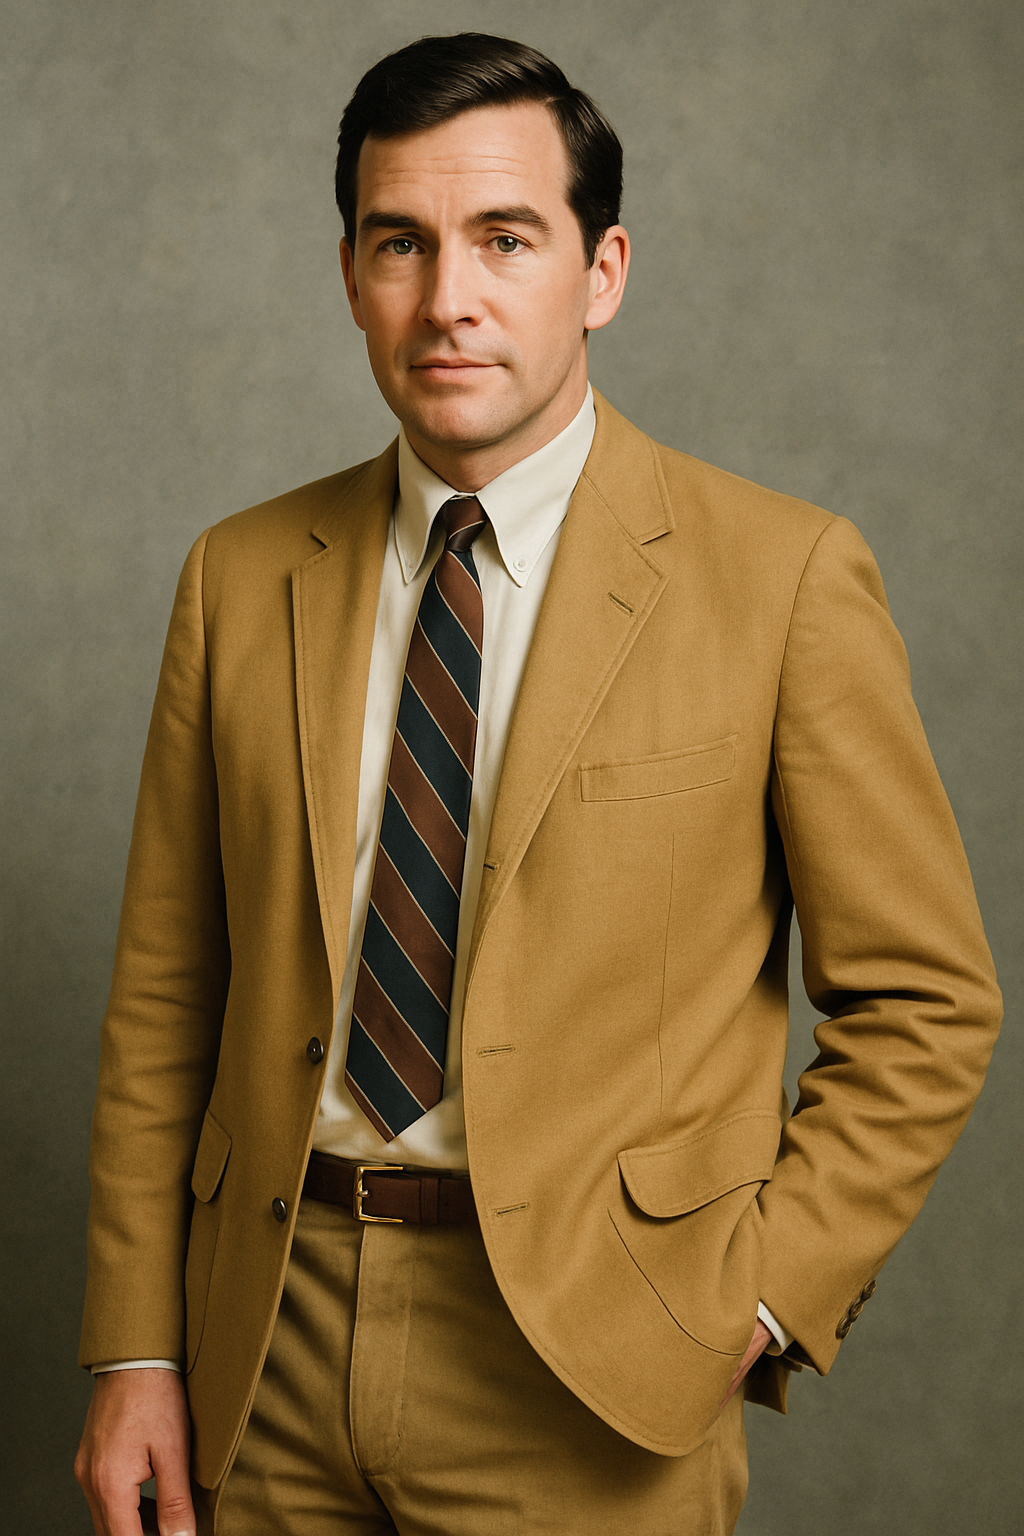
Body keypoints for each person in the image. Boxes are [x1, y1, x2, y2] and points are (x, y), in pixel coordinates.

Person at [74, 31, 1001, 1536]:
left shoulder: (780, 580)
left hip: (590, 1363)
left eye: (507, 239)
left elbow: (928, 1001)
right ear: (351, 270)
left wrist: (754, 1302)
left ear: (603, 271)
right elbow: (168, 995)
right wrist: (133, 1347)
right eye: (403, 244)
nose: (450, 298)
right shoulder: (239, 579)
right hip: (267, 1339)